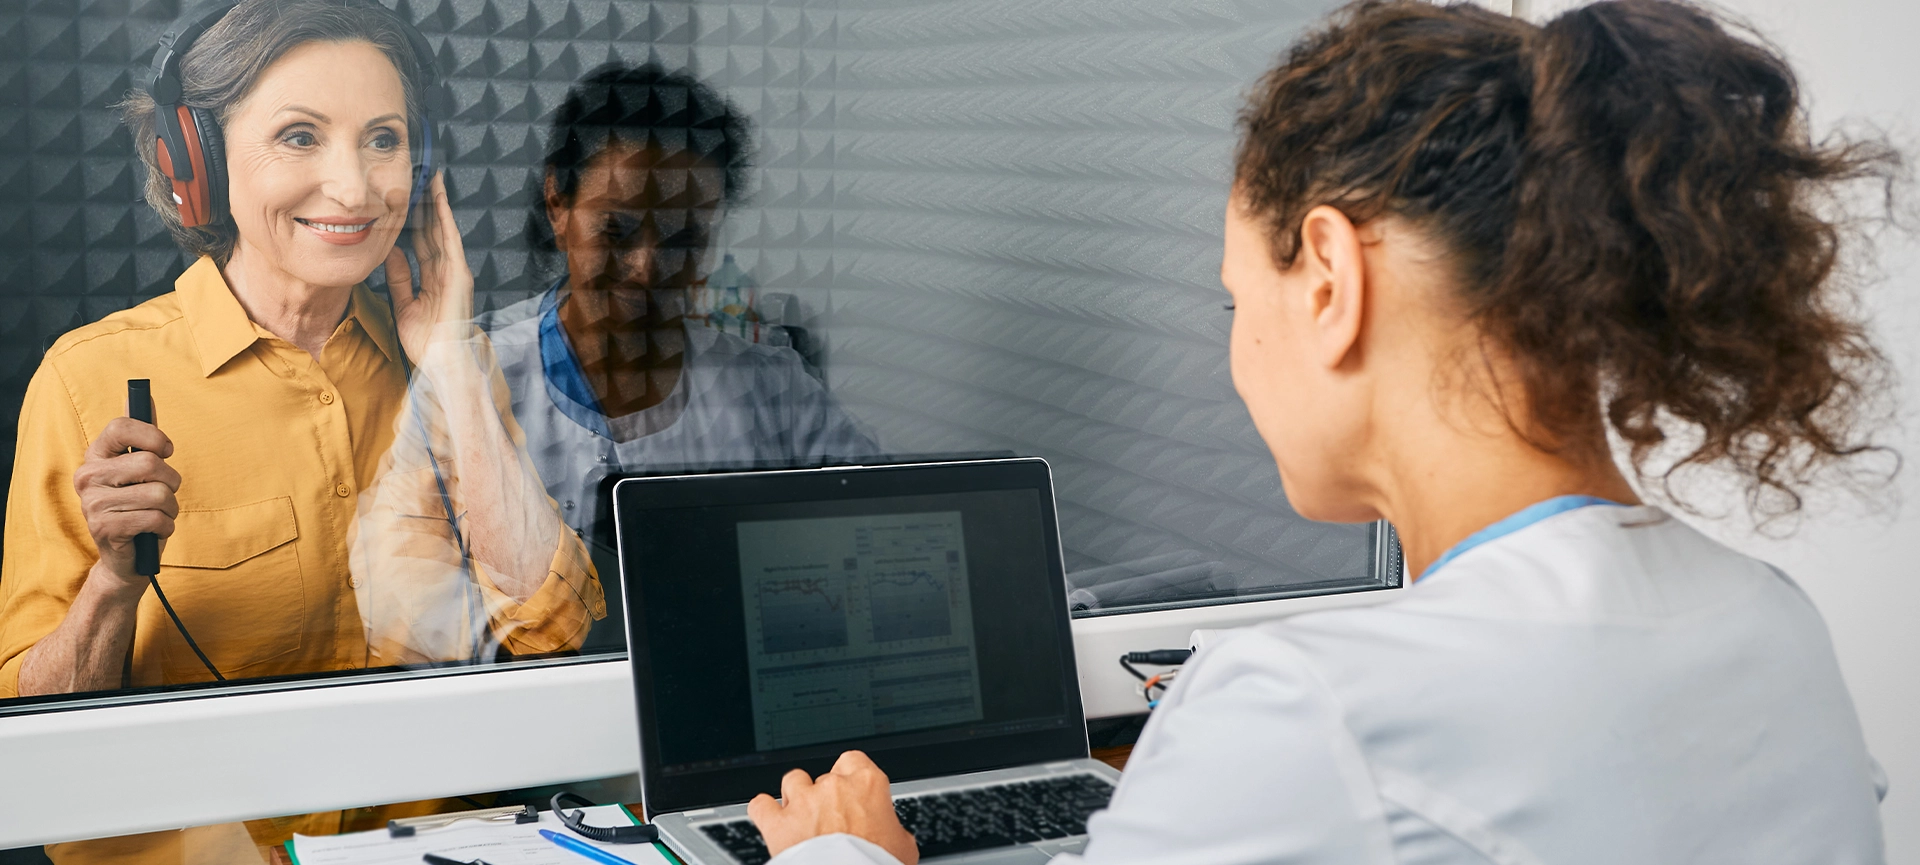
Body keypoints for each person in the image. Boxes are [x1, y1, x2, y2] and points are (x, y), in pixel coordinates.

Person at [744, 1, 1894, 862]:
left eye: (1237, 302)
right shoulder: (1767, 619)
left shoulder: (1313, 704)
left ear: (1332, 278)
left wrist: (841, 852)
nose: (1237, 356)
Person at [0, 0, 602, 856]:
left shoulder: (444, 370)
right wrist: (111, 582)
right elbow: (37, 747)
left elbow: (553, 640)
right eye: (299, 136)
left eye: (384, 138)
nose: (355, 188)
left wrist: (452, 366)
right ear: (194, 163)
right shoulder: (86, 380)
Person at [479, 62, 879, 538]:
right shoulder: (470, 381)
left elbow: (880, 520)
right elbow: (408, 585)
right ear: (558, 205)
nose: (647, 268)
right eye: (617, 229)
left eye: (684, 237)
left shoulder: (773, 392)